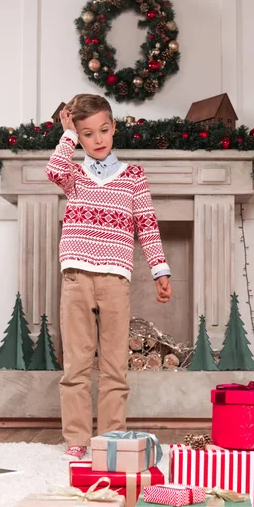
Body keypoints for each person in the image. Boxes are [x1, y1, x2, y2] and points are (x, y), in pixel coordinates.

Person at [46, 93, 172, 460]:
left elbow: (147, 225)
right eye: (88, 134)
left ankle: (111, 442)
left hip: (116, 279)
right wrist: (67, 134)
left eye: (103, 130)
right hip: (76, 277)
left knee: (116, 365)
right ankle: (77, 443)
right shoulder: (74, 175)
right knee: (77, 365)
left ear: (114, 127)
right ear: (78, 137)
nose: (98, 139)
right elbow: (54, 170)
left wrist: (159, 271)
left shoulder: (133, 176)